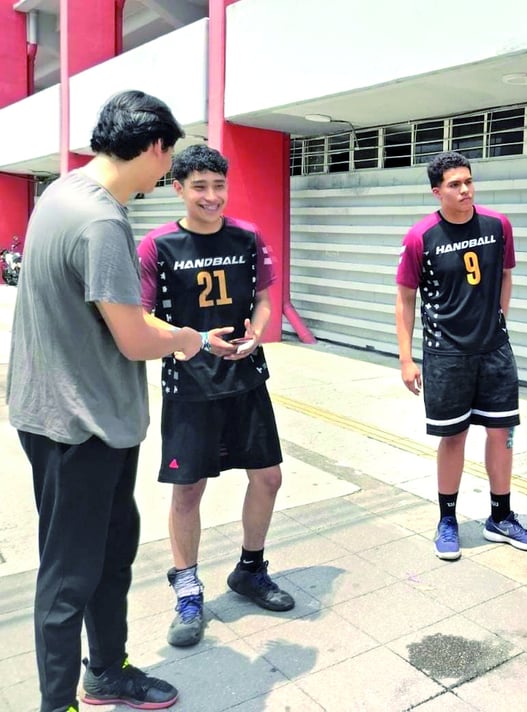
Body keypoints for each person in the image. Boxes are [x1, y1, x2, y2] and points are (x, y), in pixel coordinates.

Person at [5, 90, 219, 712]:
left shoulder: (61, 192)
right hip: (80, 424)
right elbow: (132, 338)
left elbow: (98, 314)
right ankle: (57, 703)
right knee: (70, 574)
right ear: (154, 147)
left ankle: (105, 671)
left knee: (109, 551)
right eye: (170, 157)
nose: (168, 170)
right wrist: (188, 338)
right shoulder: (101, 221)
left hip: (68, 414)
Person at [138, 144, 295, 649]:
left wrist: (257, 335)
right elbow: (141, 317)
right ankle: (187, 587)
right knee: (188, 491)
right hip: (190, 386)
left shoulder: (247, 237)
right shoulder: (156, 247)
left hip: (245, 378)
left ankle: (250, 569)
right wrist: (188, 341)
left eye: (219, 186)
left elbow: (267, 300)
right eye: (200, 187)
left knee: (267, 477)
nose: (212, 196)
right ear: (178, 188)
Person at [395, 151, 527, 561]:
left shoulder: (498, 226)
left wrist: (498, 324)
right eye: (455, 184)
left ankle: (501, 516)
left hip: (494, 351)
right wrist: (407, 358)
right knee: (453, 437)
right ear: (436, 191)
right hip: (445, 355)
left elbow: (506, 276)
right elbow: (406, 299)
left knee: (502, 434)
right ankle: (447, 520)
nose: (465, 190)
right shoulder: (420, 237)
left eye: (468, 181)